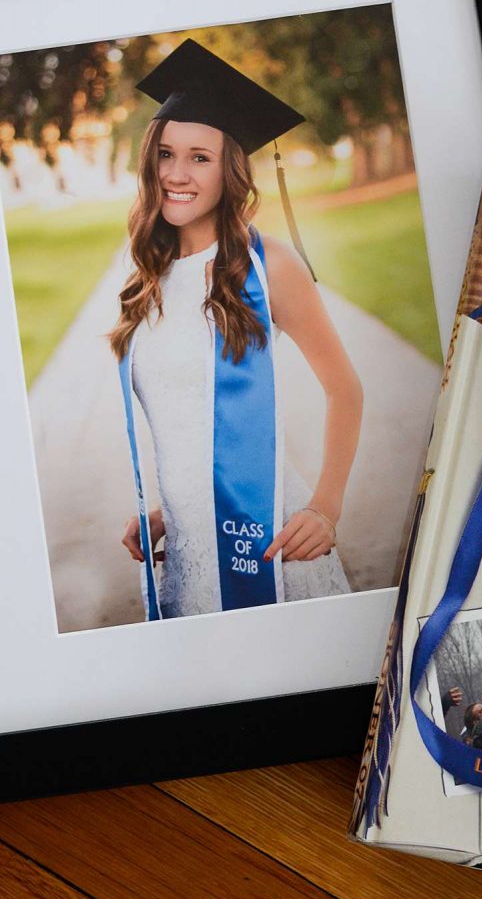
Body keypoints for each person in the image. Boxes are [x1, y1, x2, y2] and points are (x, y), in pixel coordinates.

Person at [111, 39, 363, 621]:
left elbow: (345, 389)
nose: (176, 173)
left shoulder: (268, 266)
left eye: (199, 157)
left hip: (269, 545)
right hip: (187, 555)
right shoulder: (146, 275)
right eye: (166, 154)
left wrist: (325, 509)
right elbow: (185, 420)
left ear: (230, 170)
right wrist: (169, 514)